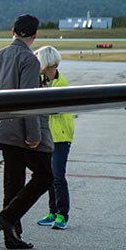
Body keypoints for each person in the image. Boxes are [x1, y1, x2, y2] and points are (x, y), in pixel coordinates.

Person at [0, 14, 54, 250]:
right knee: (45, 176)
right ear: (35, 35)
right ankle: (8, 217)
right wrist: (34, 136)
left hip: (0, 130)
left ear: (11, 31)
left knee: (13, 182)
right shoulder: (29, 60)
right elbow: (29, 101)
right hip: (20, 132)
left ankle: (11, 235)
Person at [34, 46, 75, 230]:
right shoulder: (43, 81)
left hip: (61, 136)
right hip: (49, 136)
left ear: (47, 63)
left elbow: (55, 109)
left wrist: (42, 95)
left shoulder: (61, 84)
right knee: (49, 176)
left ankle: (62, 215)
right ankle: (52, 211)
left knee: (58, 176)